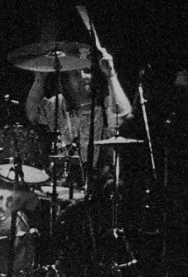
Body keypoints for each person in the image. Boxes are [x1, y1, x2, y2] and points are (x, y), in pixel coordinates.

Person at [25, 46, 132, 191]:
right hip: (66, 184)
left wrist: (111, 75)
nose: (83, 77)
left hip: (100, 184)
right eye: (76, 73)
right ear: (66, 79)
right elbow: (33, 113)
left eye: (87, 71)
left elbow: (123, 117)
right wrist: (39, 80)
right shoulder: (58, 103)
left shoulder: (104, 102)